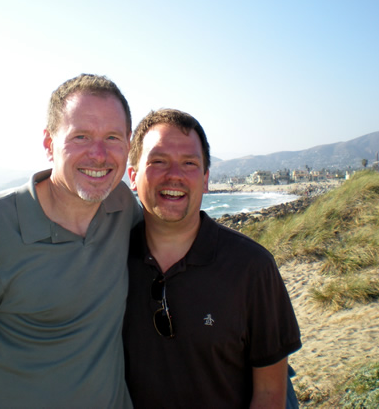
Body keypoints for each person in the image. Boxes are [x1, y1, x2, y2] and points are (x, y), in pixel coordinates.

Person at [0, 74, 142, 408]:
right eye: (81, 136)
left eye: (113, 137)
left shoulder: (120, 205)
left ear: (128, 144)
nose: (99, 154)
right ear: (49, 144)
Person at [123, 109, 302, 408]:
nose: (174, 175)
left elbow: (270, 394)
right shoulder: (110, 260)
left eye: (189, 164)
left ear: (205, 179)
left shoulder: (252, 267)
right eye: (158, 161)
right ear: (133, 176)